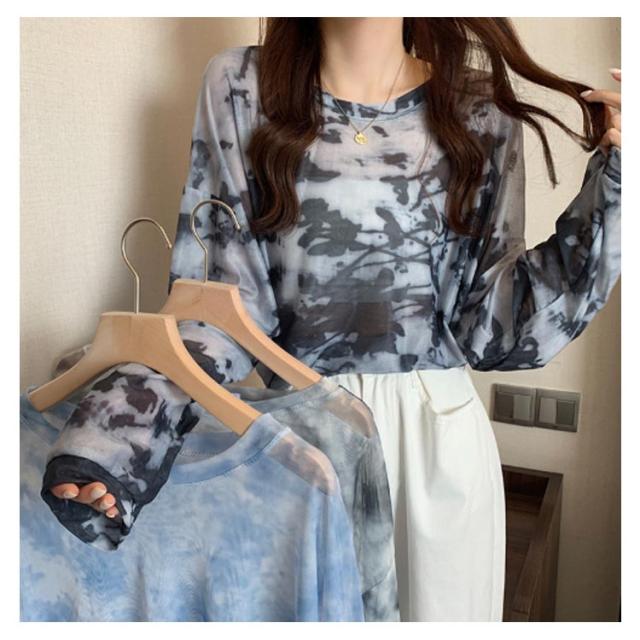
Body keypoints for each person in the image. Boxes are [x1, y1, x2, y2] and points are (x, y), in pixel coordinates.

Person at [47, 18, 621, 621]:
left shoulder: (479, 107)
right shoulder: (240, 87)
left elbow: (496, 325)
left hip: (436, 449)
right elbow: (217, 306)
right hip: (302, 440)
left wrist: (618, 182)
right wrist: (119, 434)